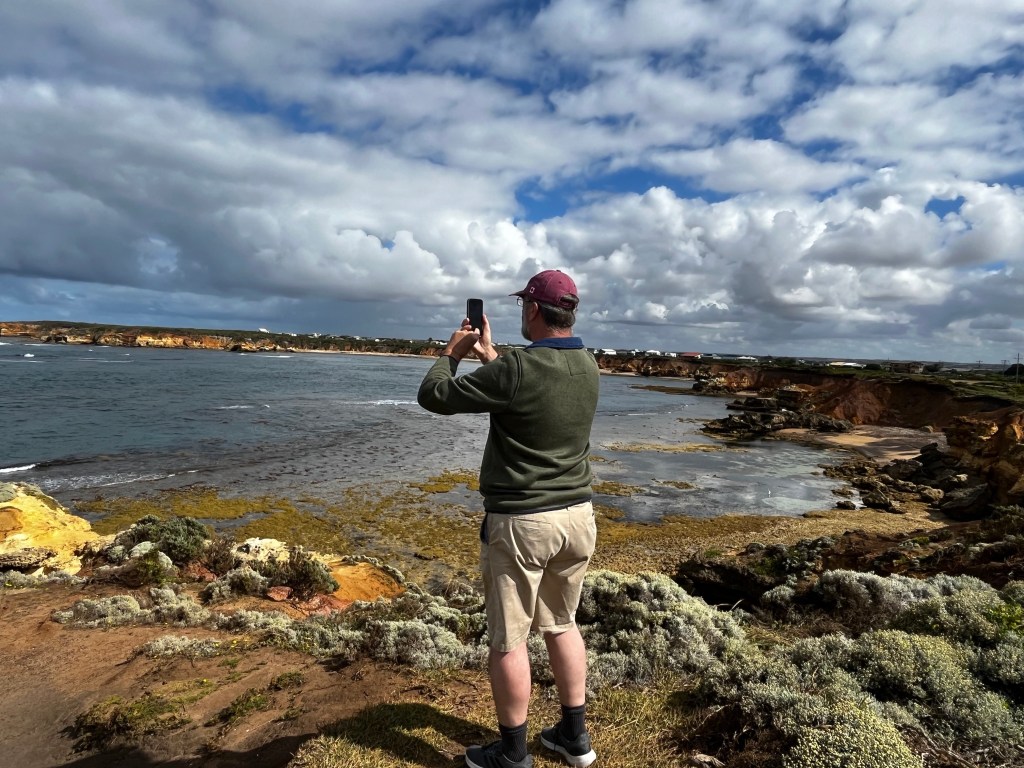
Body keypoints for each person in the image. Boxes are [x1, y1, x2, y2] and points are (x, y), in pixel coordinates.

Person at [418, 270, 600, 768]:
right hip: (577, 516)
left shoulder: (517, 367)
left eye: (524, 305)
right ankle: (574, 738)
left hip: (523, 522)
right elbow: (529, 387)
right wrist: (491, 355)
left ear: (533, 309)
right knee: (562, 625)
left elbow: (434, 395)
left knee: (509, 639)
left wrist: (453, 352)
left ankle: (514, 753)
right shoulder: (588, 364)